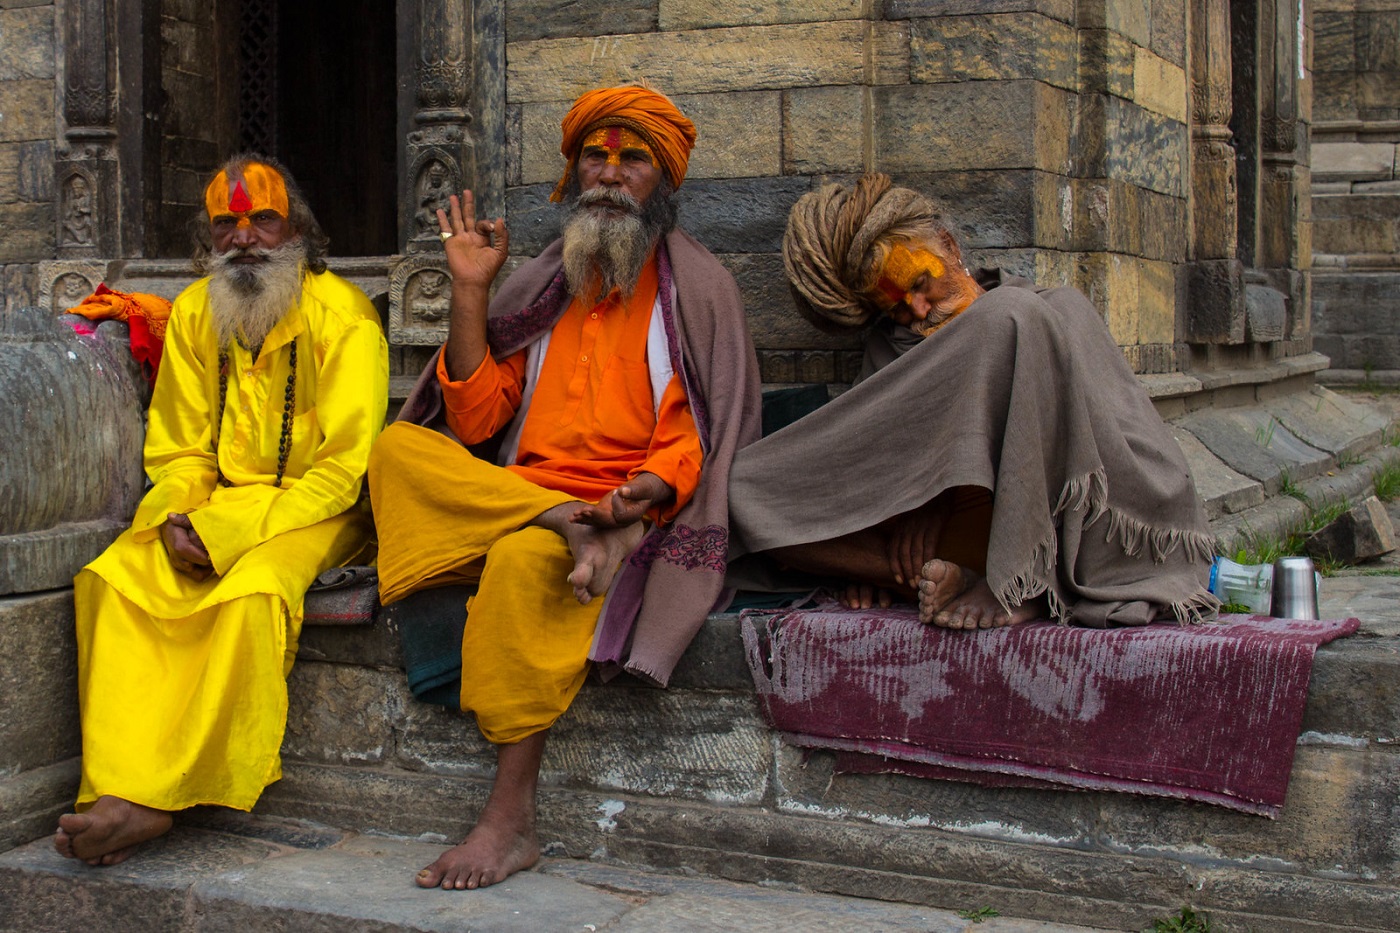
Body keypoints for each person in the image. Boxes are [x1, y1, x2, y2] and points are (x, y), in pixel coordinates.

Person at [369, 85, 761, 892]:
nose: (610, 175)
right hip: (530, 493)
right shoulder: (547, 283)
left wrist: (637, 497)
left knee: (519, 562)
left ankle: (507, 823)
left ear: (664, 182)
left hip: (623, 508)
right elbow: (475, 421)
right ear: (573, 169)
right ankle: (559, 523)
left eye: (632, 160)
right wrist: (472, 291)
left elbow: (699, 437)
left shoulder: (698, 290)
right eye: (595, 156)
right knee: (398, 450)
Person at [53, 154, 389, 866]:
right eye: (226, 224)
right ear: (208, 241)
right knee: (114, 577)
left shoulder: (345, 319)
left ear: (296, 228)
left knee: (251, 593)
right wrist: (176, 516)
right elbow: (178, 448)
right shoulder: (200, 313)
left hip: (320, 513)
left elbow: (344, 469)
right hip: (210, 508)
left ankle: (164, 794)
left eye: (261, 220)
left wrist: (229, 531)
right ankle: (115, 785)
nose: (244, 238)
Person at [728, 173, 1217, 630]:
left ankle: (1020, 582)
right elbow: (871, 471)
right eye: (897, 307)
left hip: (1055, 532)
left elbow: (1108, 459)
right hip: (938, 547)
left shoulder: (1043, 310)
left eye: (920, 285)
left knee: (1010, 317)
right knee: (743, 492)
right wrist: (910, 510)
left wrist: (940, 497)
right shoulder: (892, 347)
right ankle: (928, 579)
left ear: (949, 246)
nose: (917, 312)